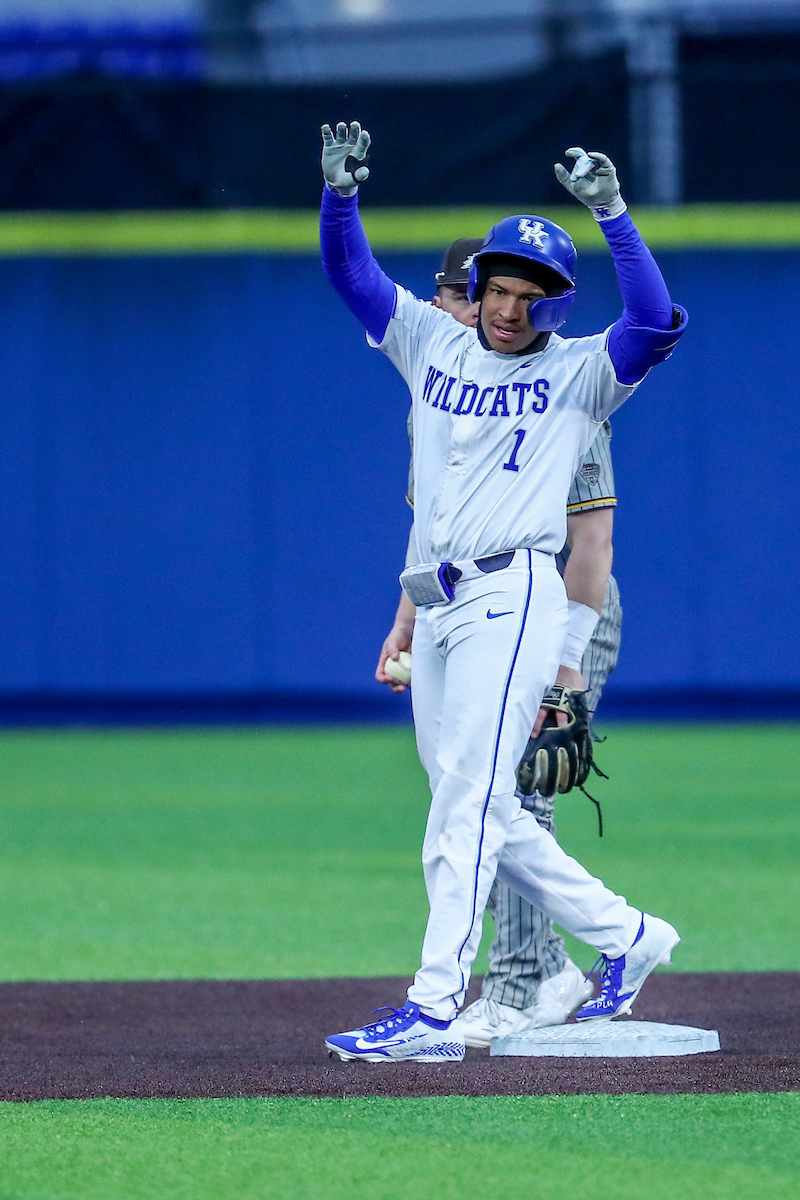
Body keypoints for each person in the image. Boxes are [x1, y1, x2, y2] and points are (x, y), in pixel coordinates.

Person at [319, 121, 687, 1063]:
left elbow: (650, 319)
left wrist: (610, 214)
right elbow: (356, 280)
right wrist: (342, 200)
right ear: (475, 289)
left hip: (517, 596)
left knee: (465, 808)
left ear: (556, 307)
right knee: (480, 801)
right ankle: (629, 936)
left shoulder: (578, 375)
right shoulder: (432, 350)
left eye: (531, 295)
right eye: (498, 287)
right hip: (439, 603)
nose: (509, 308)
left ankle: (435, 1008)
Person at [376, 242, 622, 1045]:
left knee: (498, 795)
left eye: (465, 293)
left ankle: (515, 981)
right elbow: (431, 531)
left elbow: (590, 545)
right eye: (460, 293)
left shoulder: (557, 383)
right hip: (455, 601)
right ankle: (603, 943)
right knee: (476, 794)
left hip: (556, 599)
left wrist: (567, 669)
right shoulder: (441, 386)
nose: (466, 308)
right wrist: (409, 617)